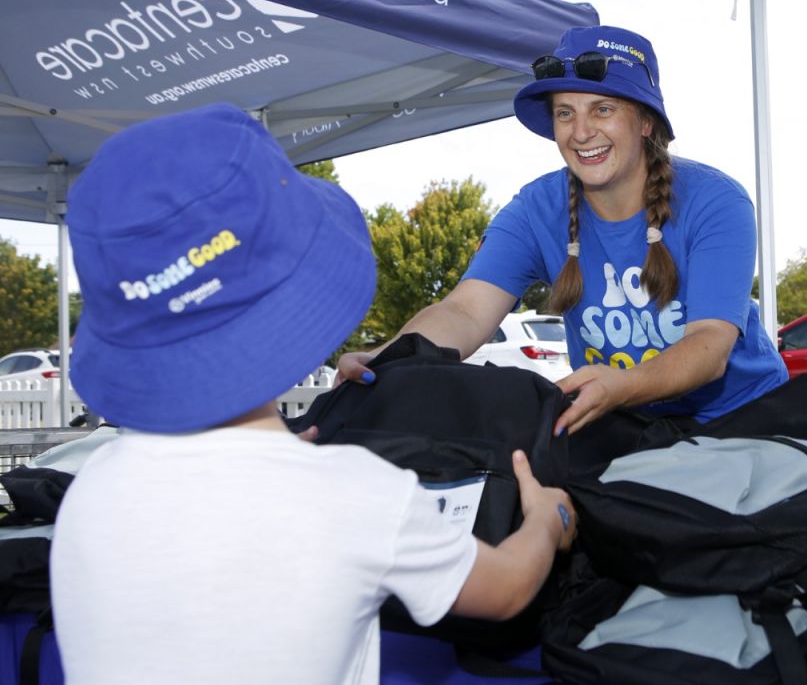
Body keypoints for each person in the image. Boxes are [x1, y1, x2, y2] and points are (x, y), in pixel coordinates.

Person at [50, 103, 576, 685]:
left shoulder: (91, 488)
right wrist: (547, 520)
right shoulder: (356, 495)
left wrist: (281, 463)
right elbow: (505, 589)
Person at [339, 25, 787, 435]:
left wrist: (624, 384)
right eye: (565, 113)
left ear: (646, 121)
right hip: (625, 425)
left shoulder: (716, 200)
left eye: (604, 109)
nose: (582, 132)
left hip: (744, 422)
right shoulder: (536, 208)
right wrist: (387, 360)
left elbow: (710, 346)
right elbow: (466, 312)